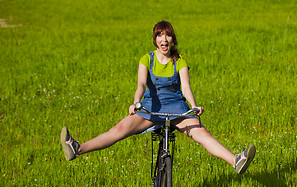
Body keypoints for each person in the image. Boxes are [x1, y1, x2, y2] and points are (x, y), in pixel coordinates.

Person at [61, 20, 256, 174]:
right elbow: (141, 85)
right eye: (160, 36)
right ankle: (77, 148)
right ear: (155, 40)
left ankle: (235, 160)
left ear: (173, 39)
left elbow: (186, 87)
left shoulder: (179, 61)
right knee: (118, 130)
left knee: (202, 134)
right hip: (150, 108)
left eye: (168, 35)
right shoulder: (147, 59)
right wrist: (136, 103)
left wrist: (194, 106)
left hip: (178, 109)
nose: (164, 39)